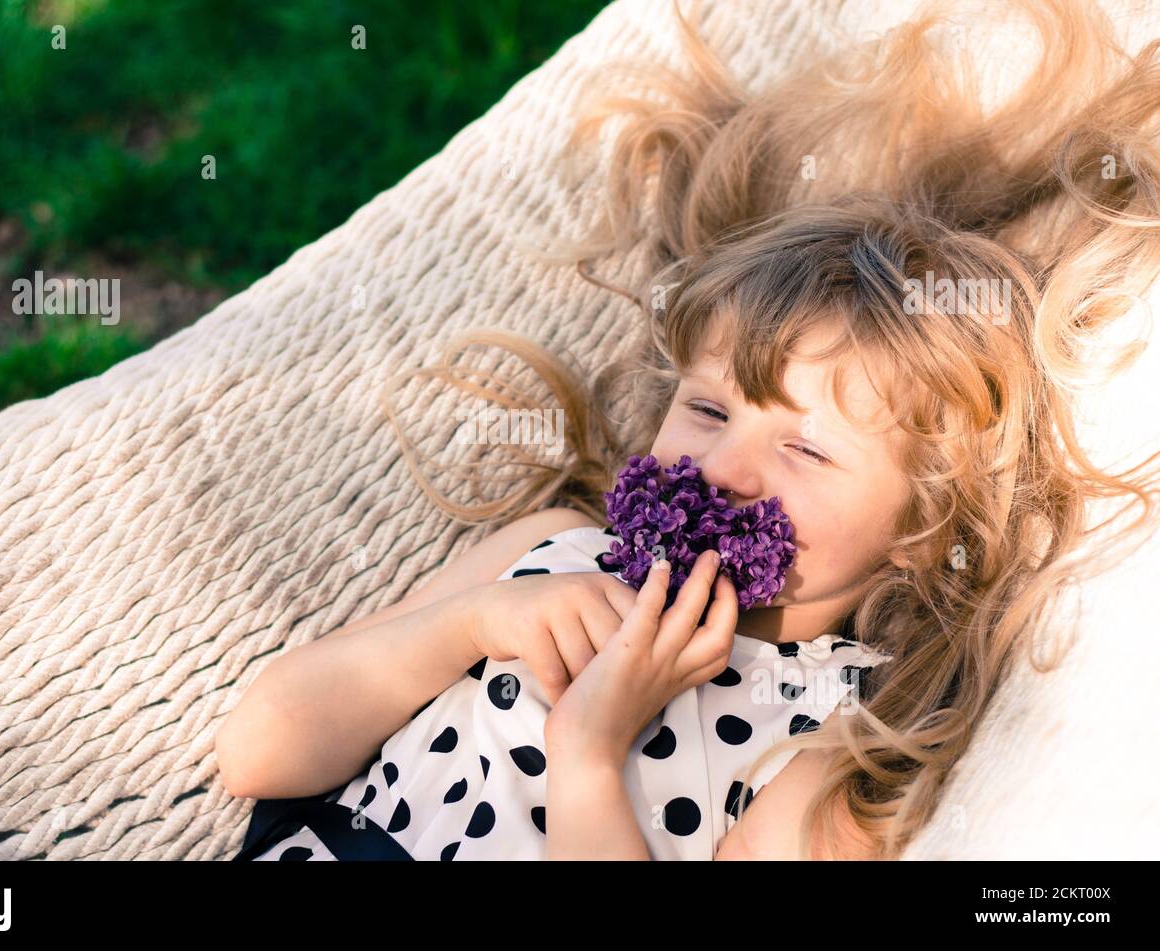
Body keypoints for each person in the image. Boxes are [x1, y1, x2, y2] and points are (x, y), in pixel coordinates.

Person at [218, 0, 1160, 860]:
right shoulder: (554, 550)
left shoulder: (832, 744)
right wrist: (469, 622)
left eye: (806, 448)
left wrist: (590, 751)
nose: (724, 466)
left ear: (919, 524)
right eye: (706, 409)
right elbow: (258, 751)